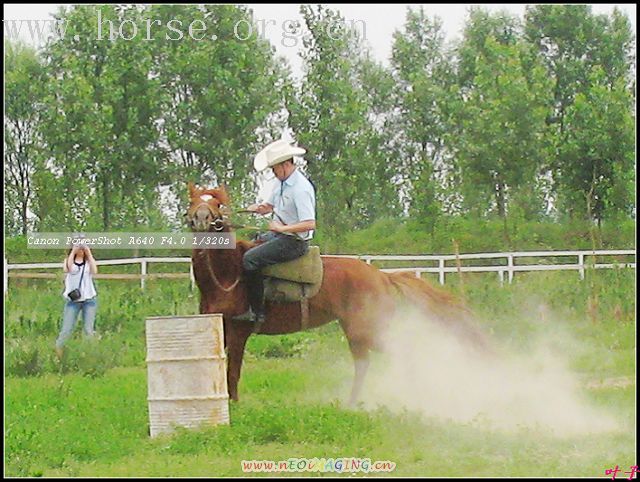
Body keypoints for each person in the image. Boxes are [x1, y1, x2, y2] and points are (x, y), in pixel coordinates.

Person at [233, 139, 316, 325]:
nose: (273, 173)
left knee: (250, 259)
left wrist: (281, 228)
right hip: (281, 235)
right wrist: (259, 208)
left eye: (274, 169)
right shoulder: (281, 183)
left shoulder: (301, 189)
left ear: (286, 165)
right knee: (249, 246)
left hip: (294, 241)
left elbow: (310, 223)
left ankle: (257, 312)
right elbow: (270, 206)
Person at [55, 243, 98, 358]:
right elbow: (68, 268)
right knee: (66, 329)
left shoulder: (88, 262)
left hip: (89, 300)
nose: (81, 249)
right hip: (73, 301)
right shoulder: (68, 261)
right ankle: (59, 355)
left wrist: (89, 253)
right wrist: (73, 252)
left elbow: (95, 271)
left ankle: (90, 355)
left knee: (89, 330)